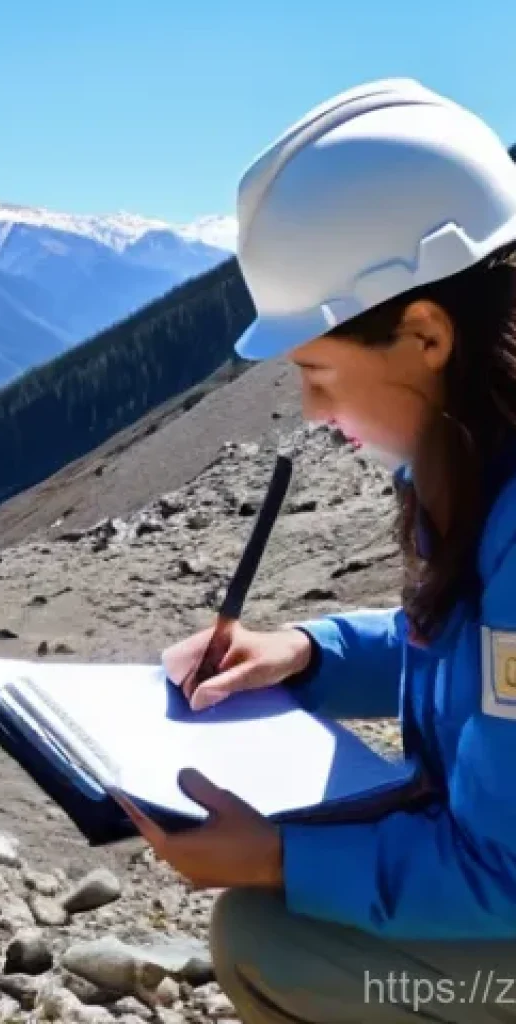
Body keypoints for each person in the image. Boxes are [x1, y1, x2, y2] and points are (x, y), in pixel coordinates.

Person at [112, 79, 516, 1022]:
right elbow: (473, 656)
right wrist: (309, 653)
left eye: (318, 372)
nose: (312, 412)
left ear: (425, 334)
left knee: (266, 945)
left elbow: (503, 874)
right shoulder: (468, 452)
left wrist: (277, 859)